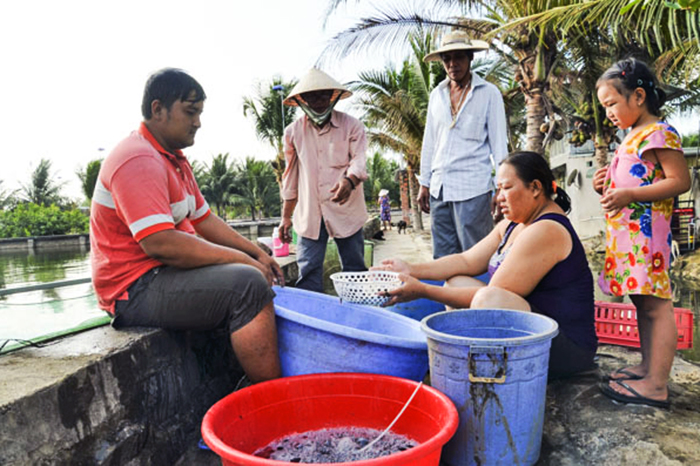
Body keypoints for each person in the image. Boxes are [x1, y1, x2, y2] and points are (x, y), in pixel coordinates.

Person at [90, 68, 284, 384]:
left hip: (162, 275)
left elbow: (203, 219)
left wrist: (256, 252)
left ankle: (240, 386)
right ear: (158, 109)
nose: (197, 122)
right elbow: (162, 243)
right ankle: (272, 397)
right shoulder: (137, 158)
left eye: (199, 113)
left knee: (252, 274)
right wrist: (243, 261)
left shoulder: (172, 159)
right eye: (190, 112)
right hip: (134, 288)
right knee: (248, 286)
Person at [377, 151, 598, 379]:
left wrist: (422, 290)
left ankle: (487, 368)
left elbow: (494, 297)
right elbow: (467, 261)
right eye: (498, 188)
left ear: (535, 188)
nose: (499, 196)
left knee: (488, 298)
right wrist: (410, 269)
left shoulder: (547, 229)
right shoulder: (513, 224)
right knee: (455, 282)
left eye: (506, 187)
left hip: (566, 349)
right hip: (533, 332)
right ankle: (476, 359)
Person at [594, 58, 690, 408]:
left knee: (657, 308)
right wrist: (604, 183)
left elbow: (680, 181)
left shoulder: (659, 133)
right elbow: (629, 182)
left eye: (611, 104)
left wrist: (631, 193)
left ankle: (657, 384)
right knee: (642, 303)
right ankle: (648, 367)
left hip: (648, 239)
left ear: (637, 96)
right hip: (628, 237)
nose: (608, 113)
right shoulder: (630, 137)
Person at [419, 30, 508, 259]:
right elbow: (429, 141)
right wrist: (425, 183)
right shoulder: (436, 95)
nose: (452, 64)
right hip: (440, 188)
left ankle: (479, 296)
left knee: (476, 256)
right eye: (447, 59)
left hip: (473, 189)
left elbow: (499, 145)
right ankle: (446, 295)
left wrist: (502, 188)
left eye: (458, 57)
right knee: (443, 258)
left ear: (471, 57)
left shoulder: (489, 94)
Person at [278, 68, 369, 293]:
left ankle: (355, 317)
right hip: (310, 213)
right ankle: (313, 320)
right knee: (308, 270)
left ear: (332, 96)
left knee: (355, 268)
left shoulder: (352, 126)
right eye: (311, 96)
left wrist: (349, 181)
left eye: (323, 95)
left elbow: (359, 160)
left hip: (346, 210)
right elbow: (291, 176)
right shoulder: (293, 133)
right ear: (302, 100)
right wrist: (285, 218)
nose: (318, 101)